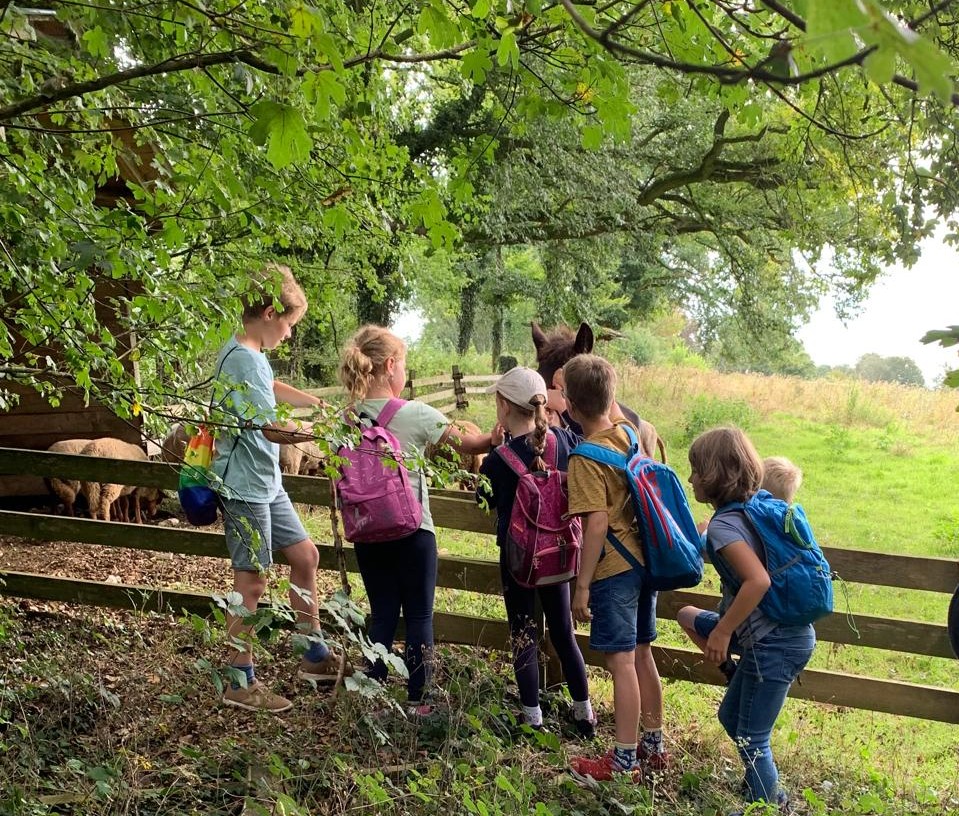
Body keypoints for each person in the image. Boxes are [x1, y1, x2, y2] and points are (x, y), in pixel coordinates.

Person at [338, 325, 492, 715]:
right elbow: (468, 444)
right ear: (390, 366)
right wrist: (494, 436)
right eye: (403, 364)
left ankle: (371, 695)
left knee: (383, 614)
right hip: (413, 530)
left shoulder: (345, 419)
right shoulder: (417, 413)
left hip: (368, 532)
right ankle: (420, 700)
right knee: (420, 615)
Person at [213, 263, 343, 714]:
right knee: (251, 581)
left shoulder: (245, 352)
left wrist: (316, 403)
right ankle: (238, 681)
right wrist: (321, 434)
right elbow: (270, 429)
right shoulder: (244, 358)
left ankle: (313, 656)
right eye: (288, 325)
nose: (288, 335)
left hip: (267, 483)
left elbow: (269, 386)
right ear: (270, 312)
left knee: (306, 556)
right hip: (245, 486)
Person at [677, 428, 816, 813]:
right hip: (783, 638)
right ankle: (765, 791)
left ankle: (769, 806)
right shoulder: (754, 507)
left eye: (694, 470)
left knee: (753, 737)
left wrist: (722, 631)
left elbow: (758, 580)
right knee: (730, 717)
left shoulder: (725, 524)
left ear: (714, 474)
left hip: (773, 646)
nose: (689, 479)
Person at [564, 354, 668, 782]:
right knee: (642, 653)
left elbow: (596, 523)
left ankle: (623, 761)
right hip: (646, 562)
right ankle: (653, 745)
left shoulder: (583, 458)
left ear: (568, 407)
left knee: (620, 662)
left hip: (613, 569)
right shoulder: (628, 433)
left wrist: (583, 585)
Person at [476, 367, 596, 737]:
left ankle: (532, 718)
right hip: (560, 555)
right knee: (563, 631)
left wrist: (493, 454)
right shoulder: (567, 441)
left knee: (523, 633)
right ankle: (584, 714)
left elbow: (485, 502)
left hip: (518, 561)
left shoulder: (498, 461)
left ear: (502, 405)